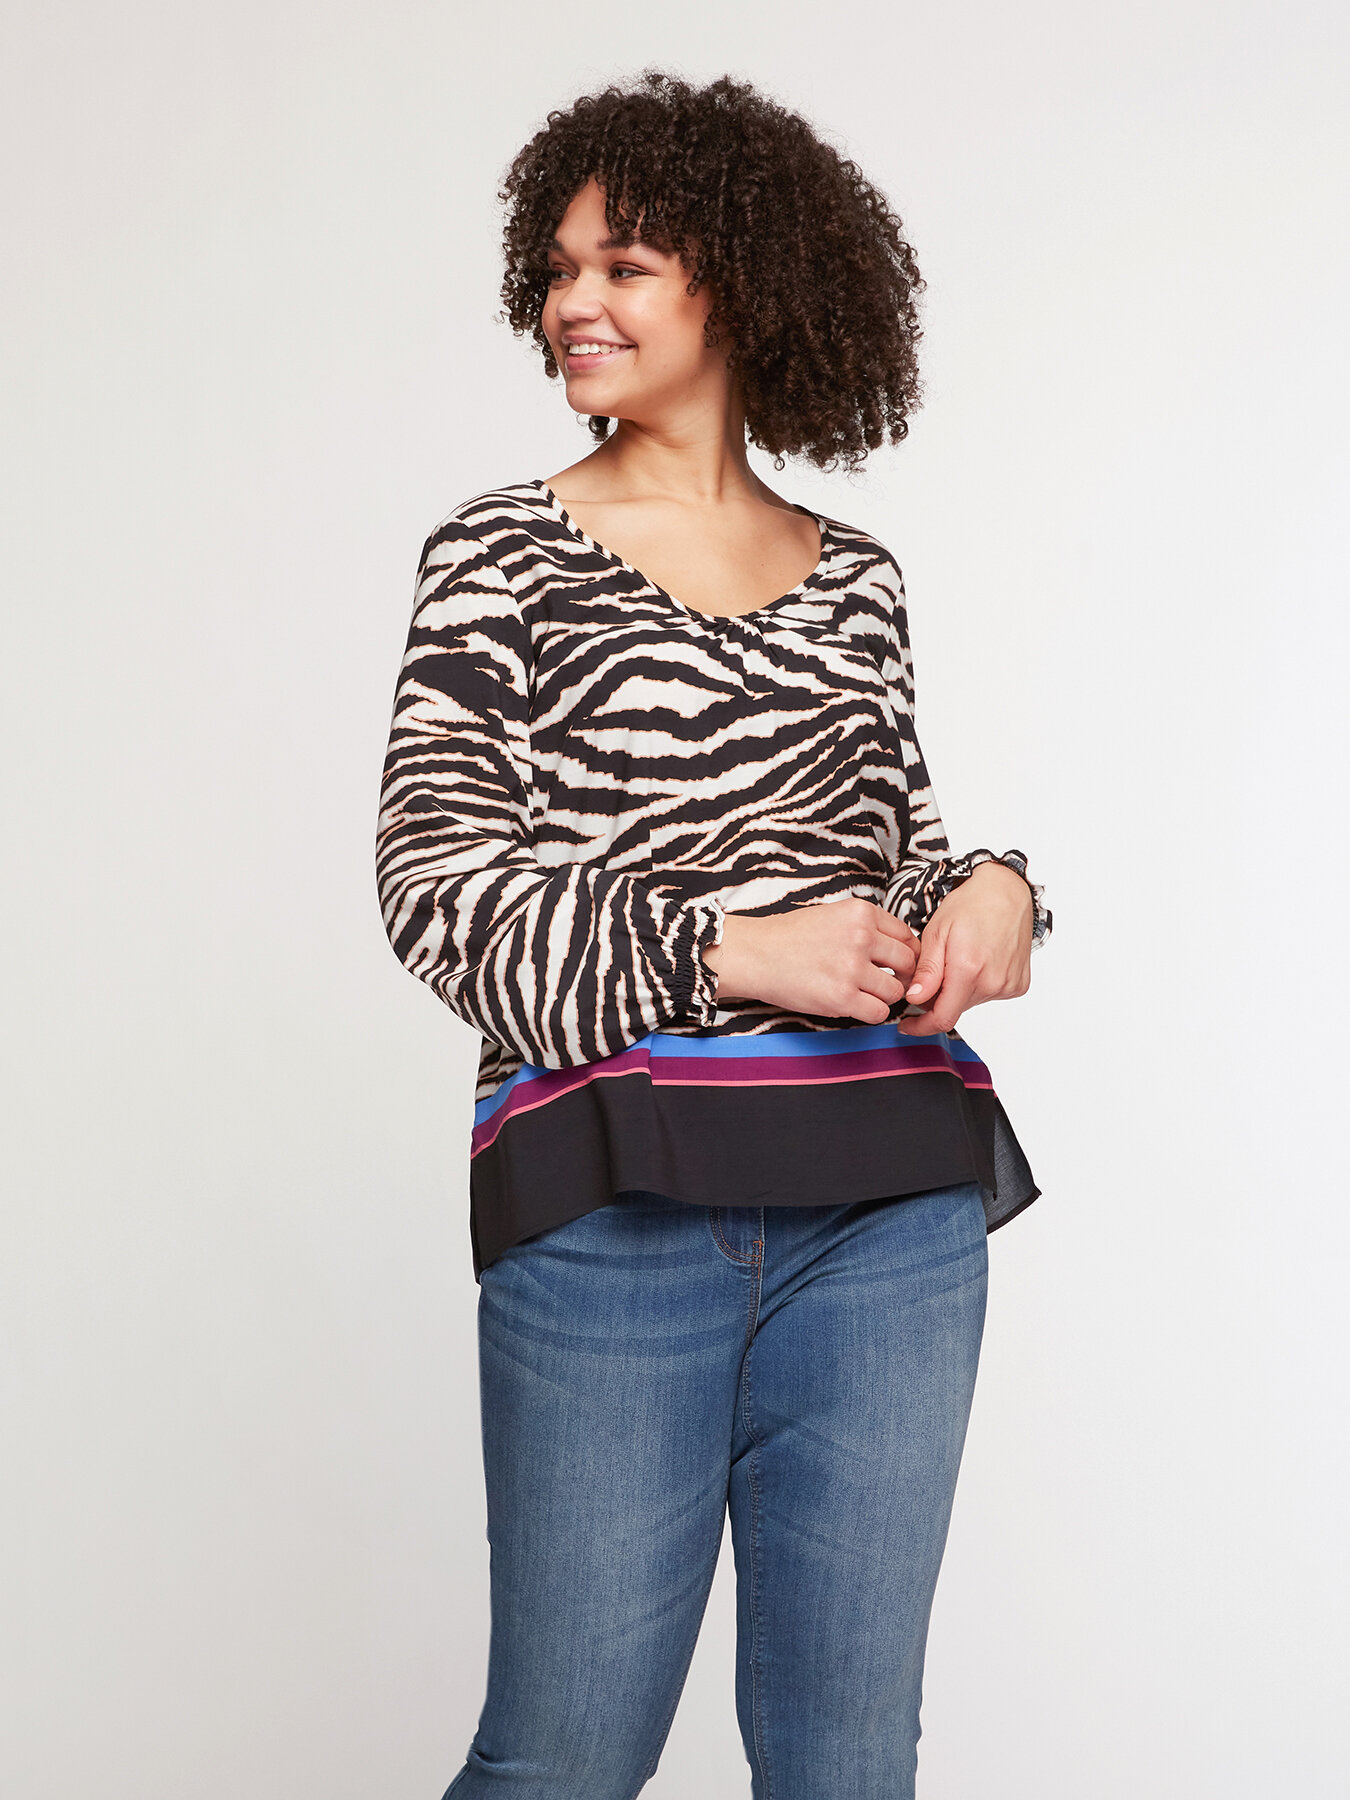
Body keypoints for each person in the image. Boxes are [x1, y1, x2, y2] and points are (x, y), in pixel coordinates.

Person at [376, 69, 1053, 1800]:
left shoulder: (859, 576)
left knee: (846, 1762)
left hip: (888, 1208)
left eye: (625, 266)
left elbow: (889, 860)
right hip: (617, 1203)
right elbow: (437, 889)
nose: (573, 302)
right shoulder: (501, 554)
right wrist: (733, 952)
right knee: (559, 1759)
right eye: (559, 267)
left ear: (737, 287)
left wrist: (994, 894)